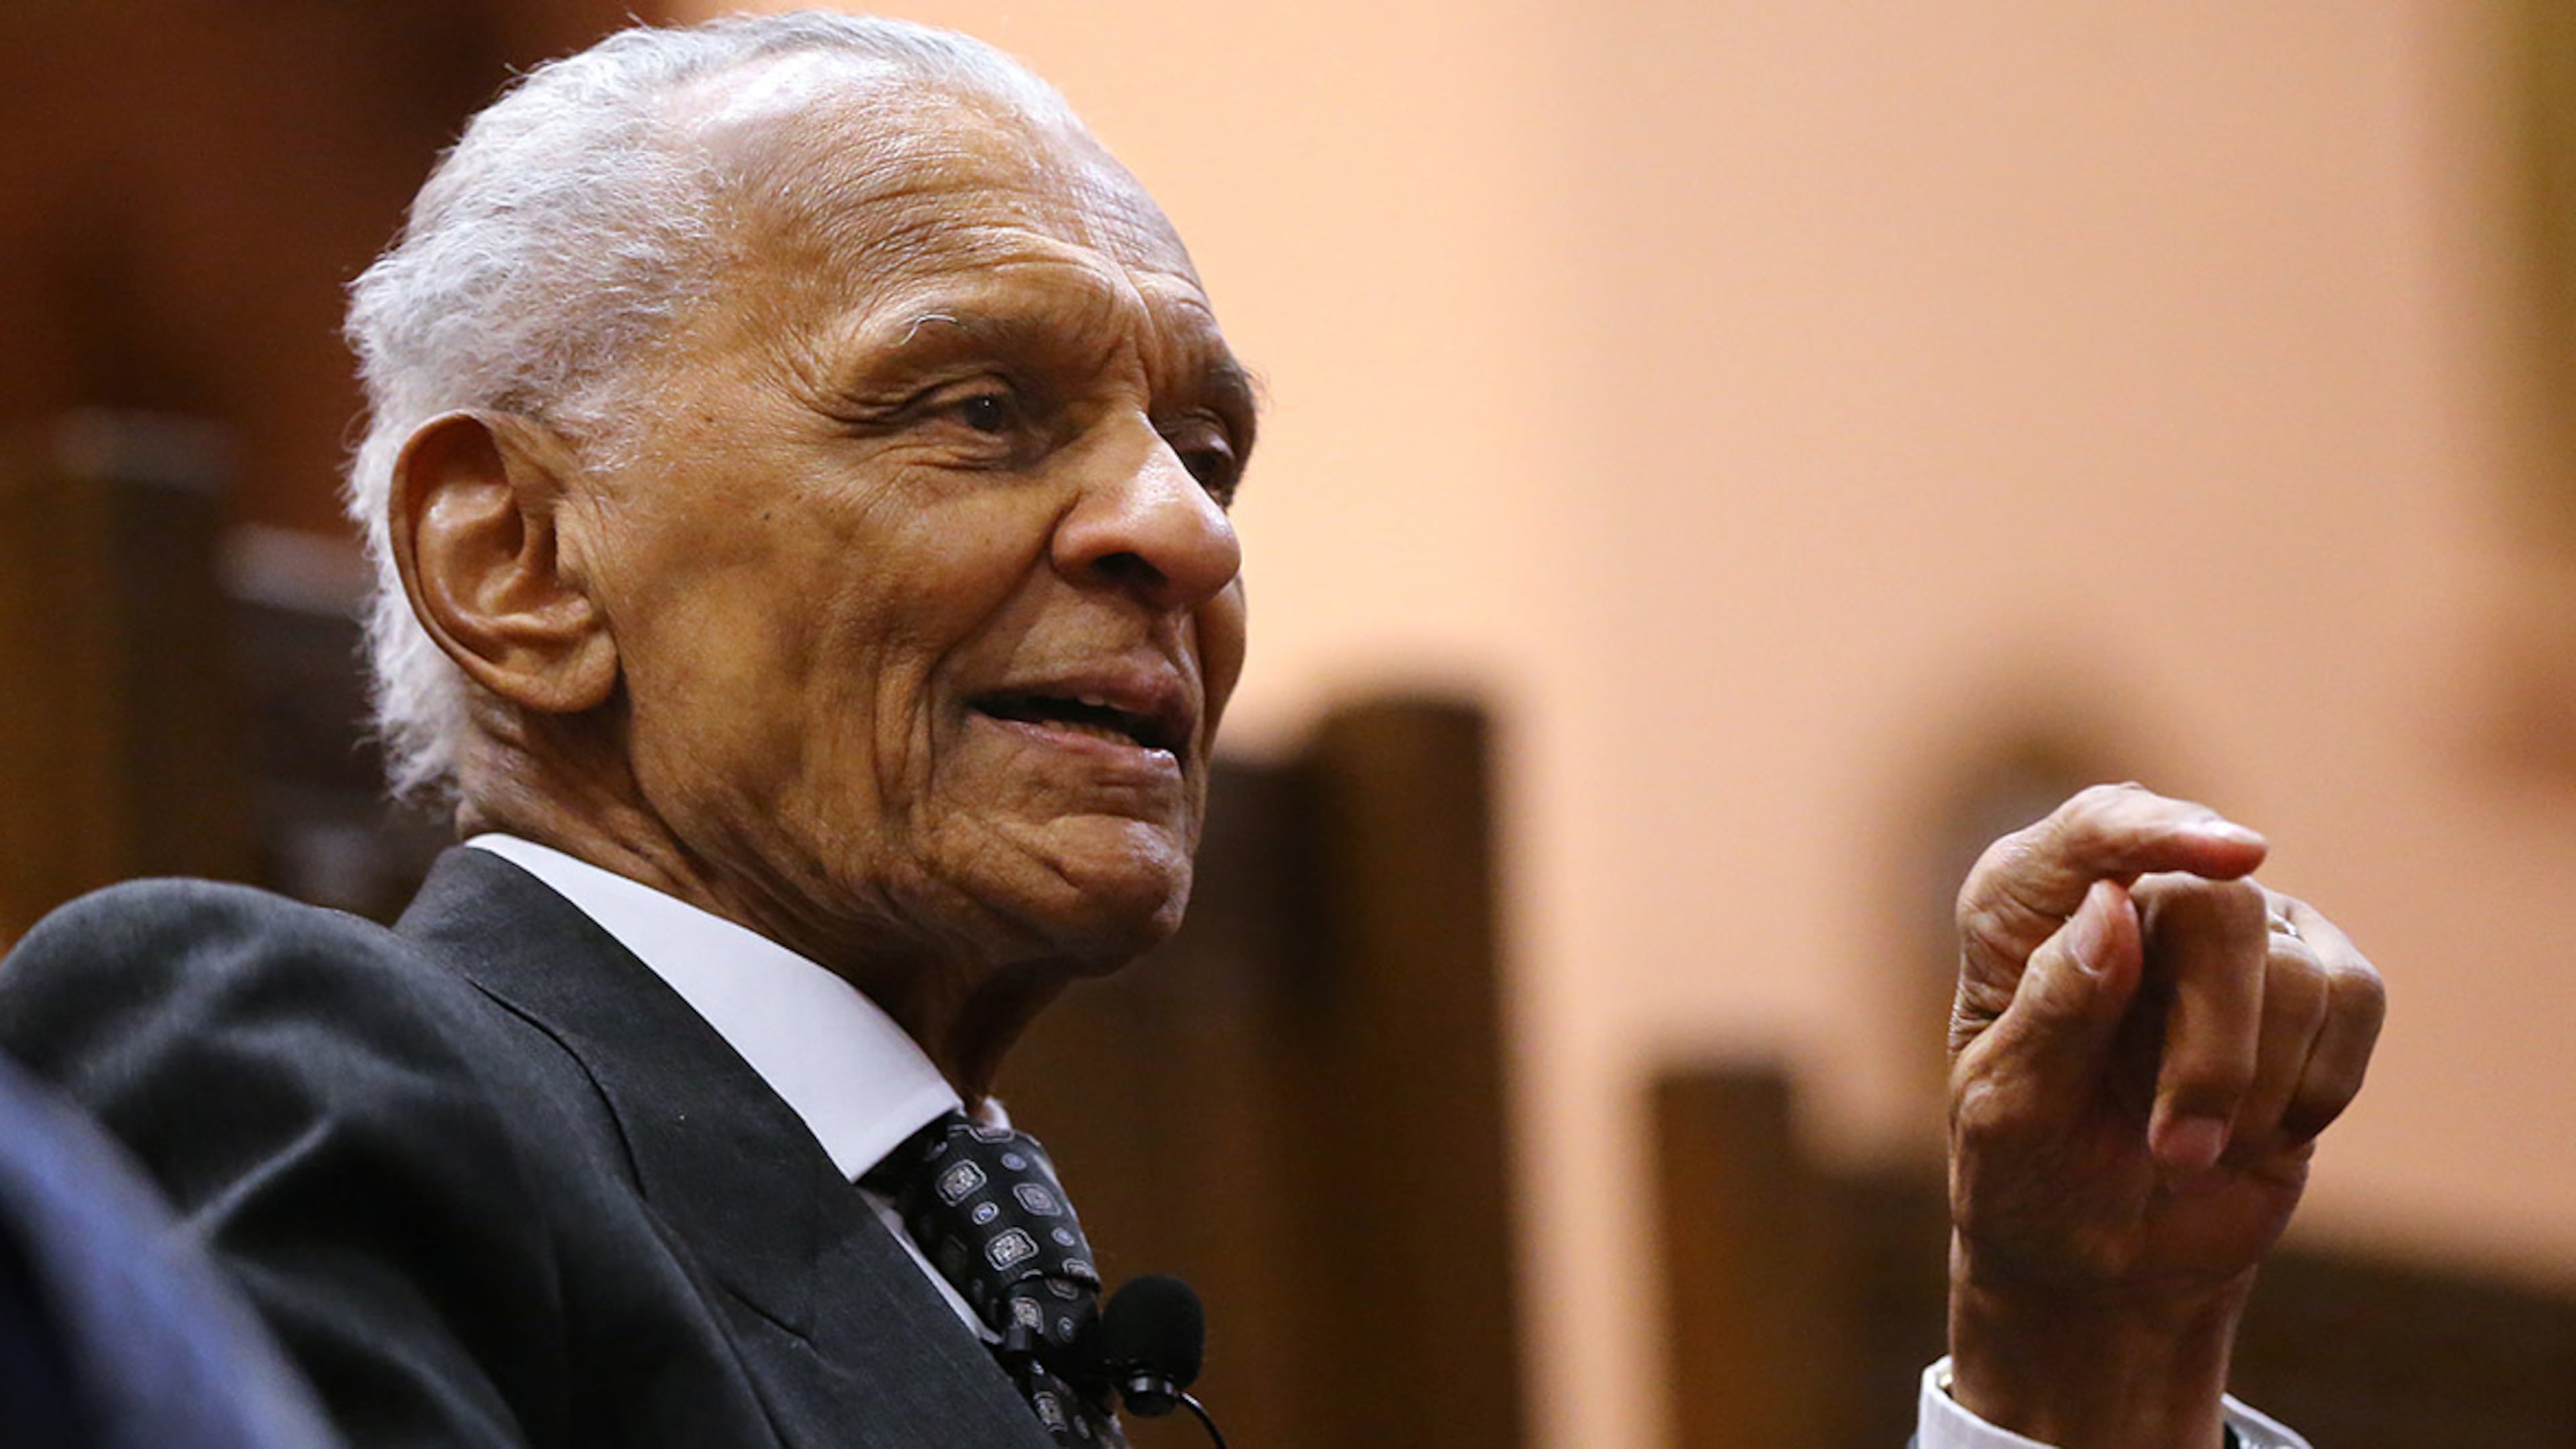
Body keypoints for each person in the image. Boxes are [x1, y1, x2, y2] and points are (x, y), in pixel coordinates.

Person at [0, 13, 2382, 1449]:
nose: (1183, 532)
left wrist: (2083, 1360)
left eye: (1207, 449)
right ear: (520, 558)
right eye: (973, 408)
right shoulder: (282, 1057)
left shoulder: (1007, 1280)